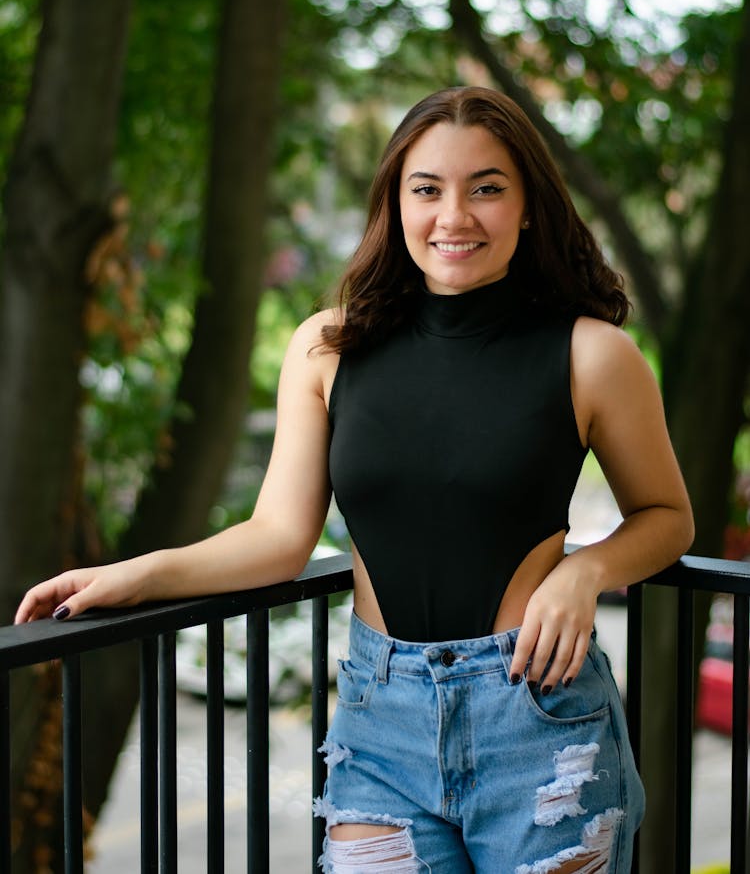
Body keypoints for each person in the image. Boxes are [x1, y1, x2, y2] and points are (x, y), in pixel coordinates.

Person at [16, 87, 694, 873]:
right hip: (382, 722)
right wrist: (134, 576)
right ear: (395, 203)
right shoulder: (327, 349)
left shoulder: (592, 355)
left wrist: (587, 569)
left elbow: (667, 514)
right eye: (427, 188)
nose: (454, 216)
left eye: (487, 187)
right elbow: (277, 537)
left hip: (537, 719)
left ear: (530, 206)